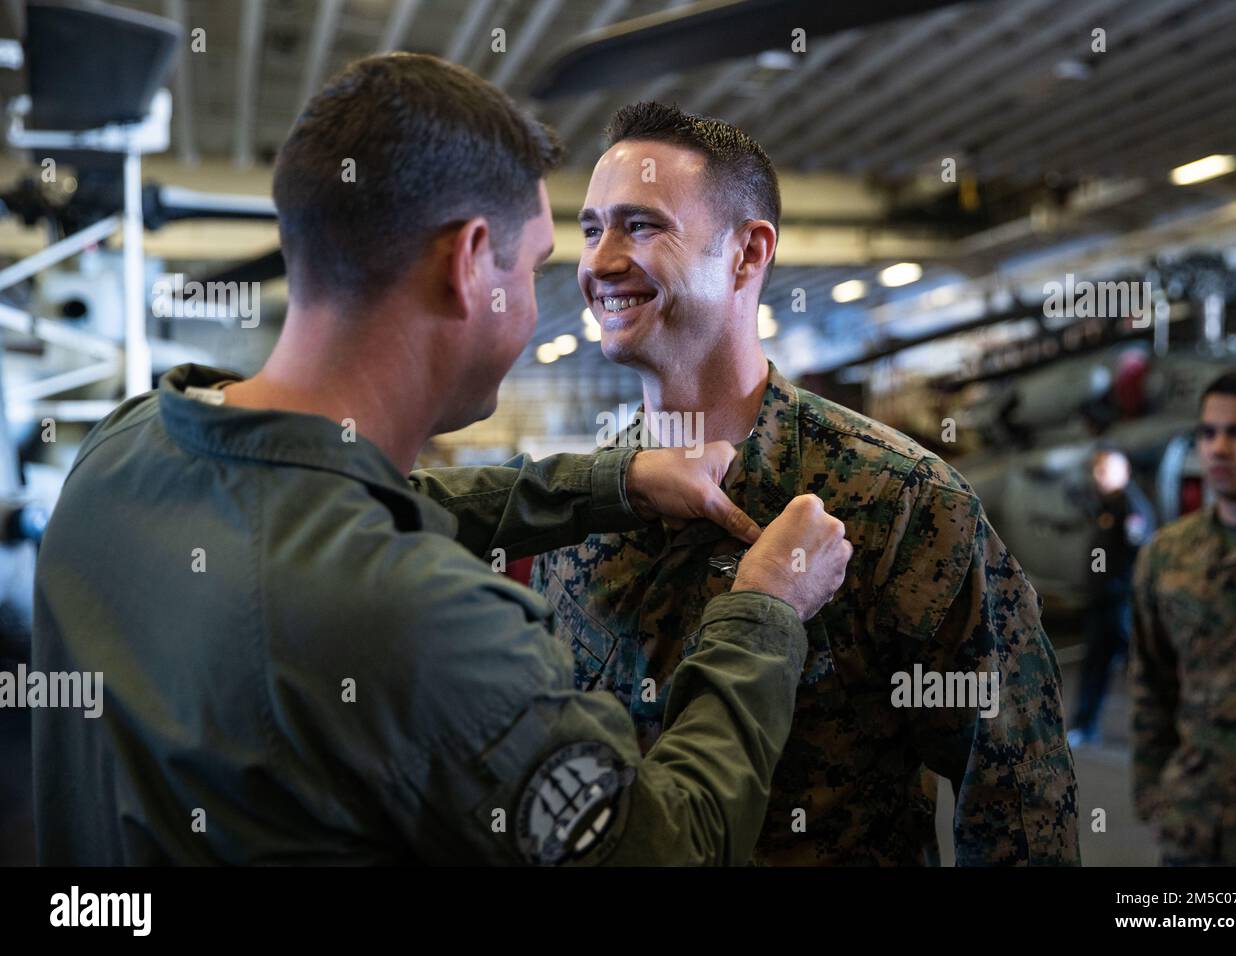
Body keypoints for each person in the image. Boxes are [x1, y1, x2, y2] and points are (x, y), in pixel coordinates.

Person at [30, 54, 853, 866]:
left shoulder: (129, 444)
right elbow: (671, 847)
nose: (558, 292)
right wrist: (765, 611)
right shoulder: (425, 624)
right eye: (532, 268)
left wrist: (613, 482)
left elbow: (349, 501)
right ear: (467, 266)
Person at [532, 101, 1080, 866]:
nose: (597, 261)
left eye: (640, 226)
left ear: (748, 254)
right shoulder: (580, 506)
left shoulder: (898, 499)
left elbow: (1016, 794)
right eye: (591, 228)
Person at [1130, 367, 1236, 865]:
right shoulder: (1168, 554)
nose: (1218, 448)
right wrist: (1153, 793)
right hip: (1194, 824)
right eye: (1208, 433)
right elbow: (1149, 683)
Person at [1067, 447, 1154, 748]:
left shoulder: (1131, 508)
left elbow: (1140, 554)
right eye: (1098, 470)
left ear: (1124, 472)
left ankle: (1158, 726)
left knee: (1143, 663)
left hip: (1122, 602)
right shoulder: (1106, 506)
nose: (1099, 477)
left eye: (1106, 471)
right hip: (1102, 600)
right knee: (1095, 662)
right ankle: (1084, 723)